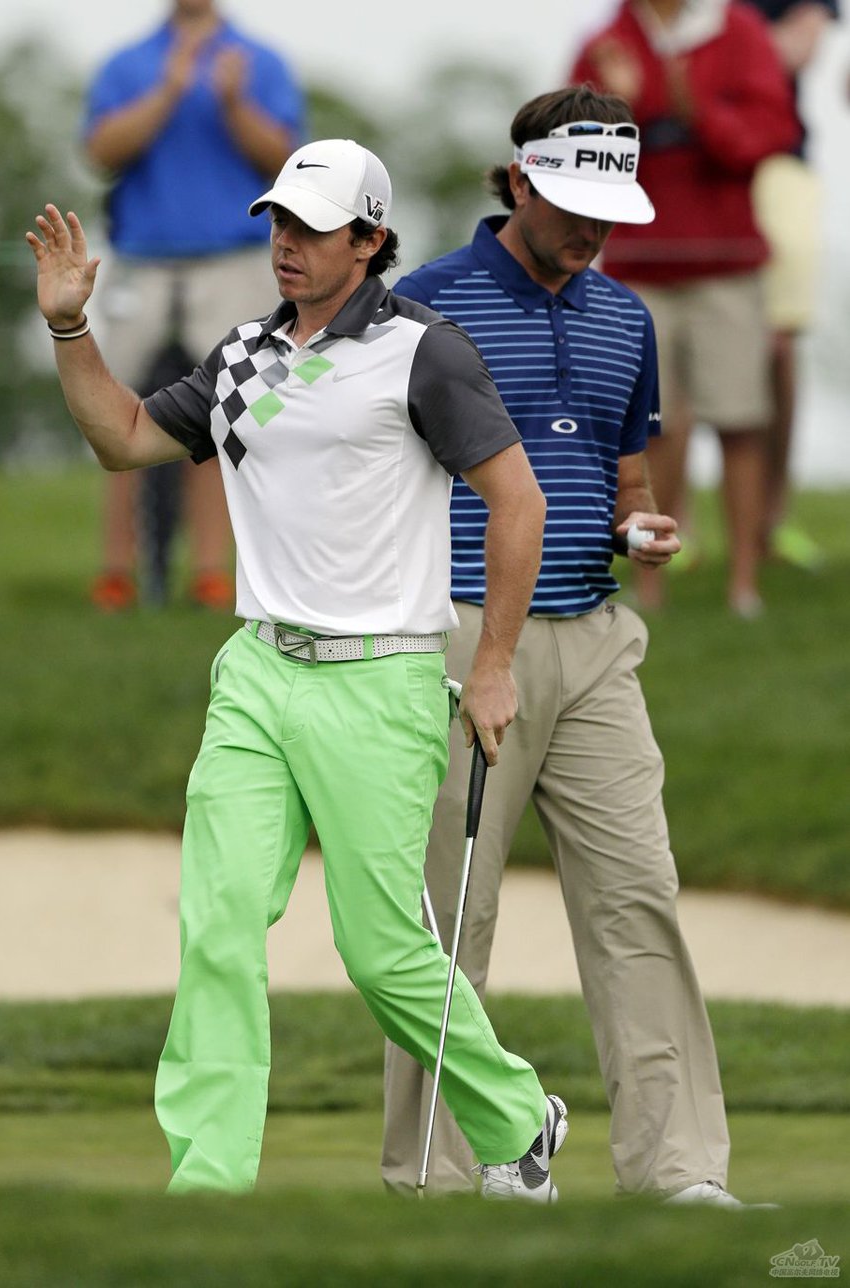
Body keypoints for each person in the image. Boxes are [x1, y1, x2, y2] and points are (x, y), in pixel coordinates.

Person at [25, 138, 570, 1200]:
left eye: (313, 227)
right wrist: (69, 328)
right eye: (278, 221)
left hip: (381, 682)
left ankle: (515, 1115)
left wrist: (495, 664)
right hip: (258, 672)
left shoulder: (424, 352)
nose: (287, 242)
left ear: (368, 240)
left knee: (381, 952)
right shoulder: (243, 355)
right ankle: (209, 1184)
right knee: (218, 923)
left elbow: (519, 501)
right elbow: (124, 439)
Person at [380, 84, 764, 1208]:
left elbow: (622, 475)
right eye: (573, 206)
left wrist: (637, 527)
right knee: (452, 914)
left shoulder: (625, 319)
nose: (593, 229)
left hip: (595, 638)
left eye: (609, 210)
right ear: (518, 182)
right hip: (457, 636)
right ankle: (440, 1176)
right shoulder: (421, 307)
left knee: (638, 898)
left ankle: (678, 1169)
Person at [570, 0, 800, 616]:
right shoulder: (609, 39)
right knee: (652, 429)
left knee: (741, 421)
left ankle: (743, 585)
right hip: (638, 271)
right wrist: (623, 109)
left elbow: (771, 135)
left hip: (728, 265)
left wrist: (695, 107)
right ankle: (651, 588)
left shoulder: (740, 31)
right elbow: (573, 158)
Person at [82, 0, 304, 611]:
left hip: (233, 261)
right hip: (143, 260)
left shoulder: (260, 62)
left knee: (228, 416)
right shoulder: (128, 63)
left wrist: (234, 103)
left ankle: (211, 572)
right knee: (116, 413)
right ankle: (116, 573)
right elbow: (100, 152)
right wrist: (169, 90)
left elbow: (285, 161)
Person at [746, 0, 839, 570]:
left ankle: (771, 519)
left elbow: (798, 50)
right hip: (691, 173)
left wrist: (711, 49)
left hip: (781, 167)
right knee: (669, 349)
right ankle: (666, 519)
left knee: (777, 346)